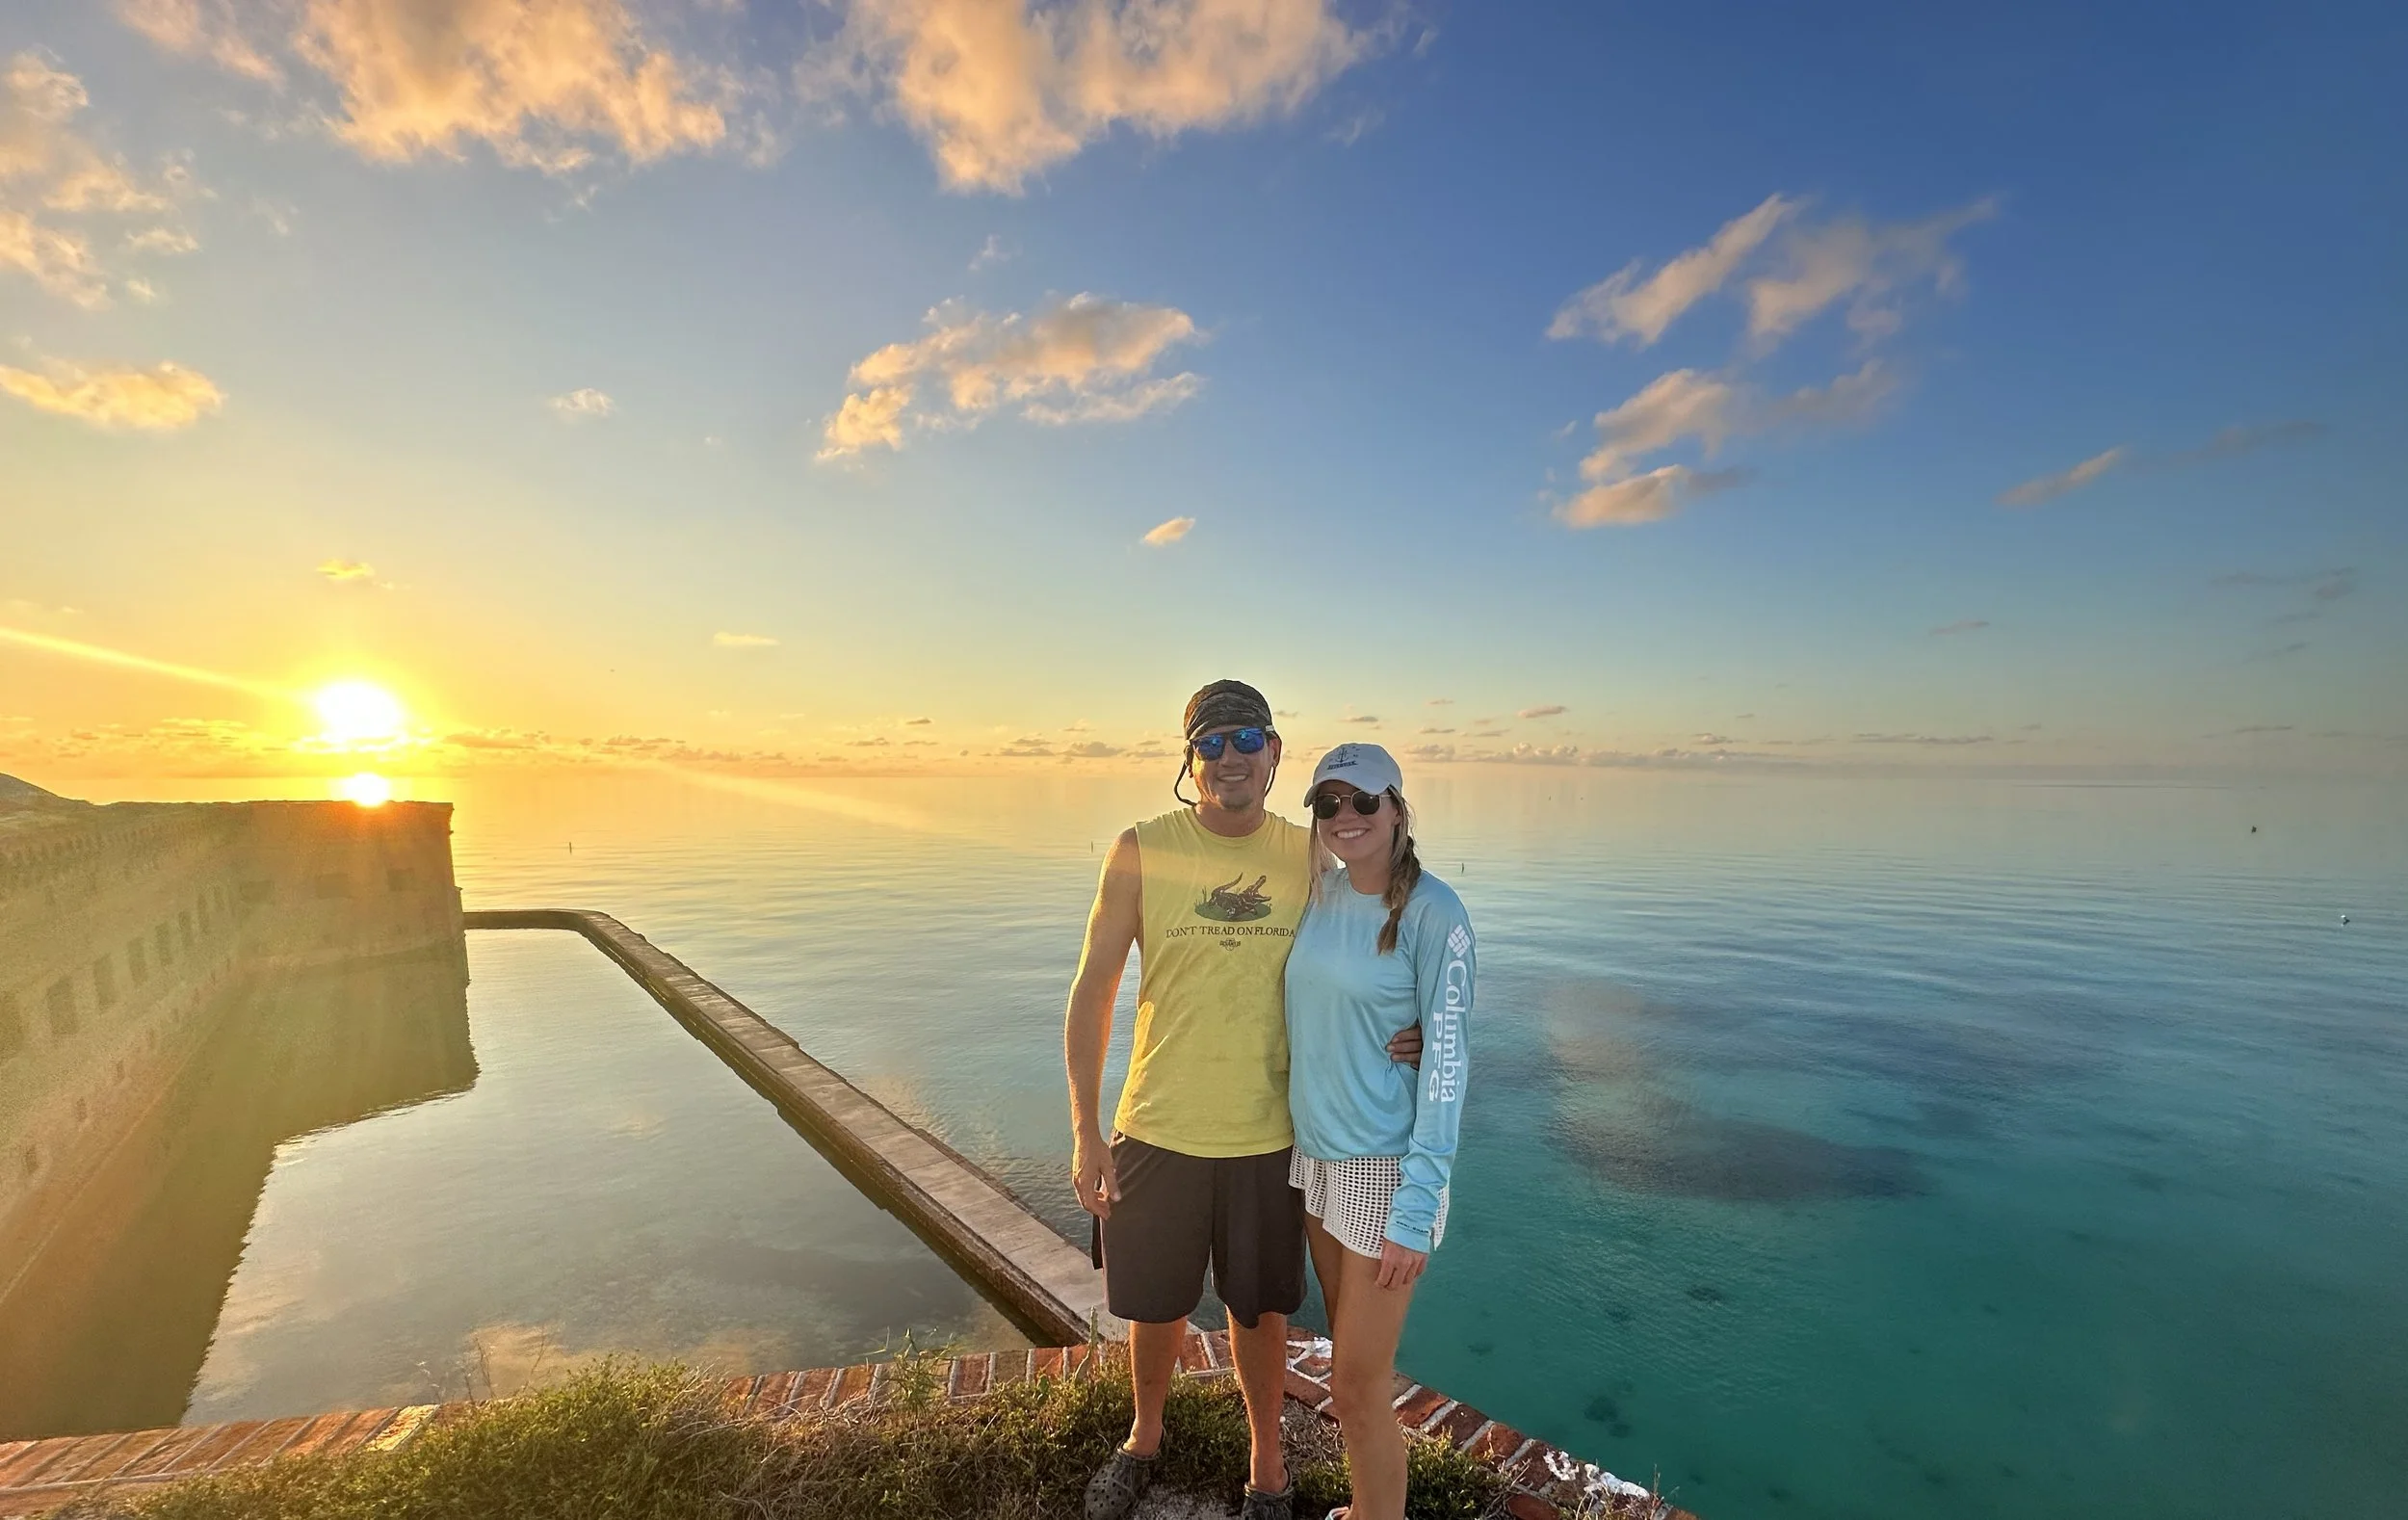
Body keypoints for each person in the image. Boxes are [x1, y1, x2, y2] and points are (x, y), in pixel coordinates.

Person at [1065, 682, 1419, 1520]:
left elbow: (1377, 945)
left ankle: (1267, 1465)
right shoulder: (1142, 848)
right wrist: (1087, 1130)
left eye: (1247, 739)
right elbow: (1093, 990)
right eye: (1212, 743)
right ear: (1190, 760)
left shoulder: (1310, 856)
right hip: (1157, 1123)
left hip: (1272, 1133)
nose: (1231, 757)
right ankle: (1144, 1437)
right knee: (1154, 1309)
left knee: (1259, 1310)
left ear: (1275, 755)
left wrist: (1414, 1024)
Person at [1285, 743, 1474, 1520]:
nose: (1345, 817)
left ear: (1398, 807)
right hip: (1317, 1159)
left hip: (1387, 1169)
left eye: (1363, 800)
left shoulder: (1436, 913)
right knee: (1351, 1368)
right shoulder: (1317, 894)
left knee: (1357, 1382)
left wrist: (1416, 1207)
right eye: (1327, 803)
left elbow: (1451, 1062)